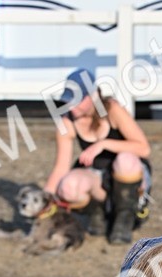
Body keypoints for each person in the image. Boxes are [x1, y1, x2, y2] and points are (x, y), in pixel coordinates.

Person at [44, 70, 152, 245]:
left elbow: (144, 148)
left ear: (93, 95)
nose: (71, 107)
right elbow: (61, 168)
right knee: (68, 186)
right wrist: (44, 200)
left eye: (77, 101)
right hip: (98, 177)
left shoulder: (113, 109)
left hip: (130, 176)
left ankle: (125, 219)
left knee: (125, 160)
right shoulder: (67, 122)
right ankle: (98, 214)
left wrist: (103, 144)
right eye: (68, 101)